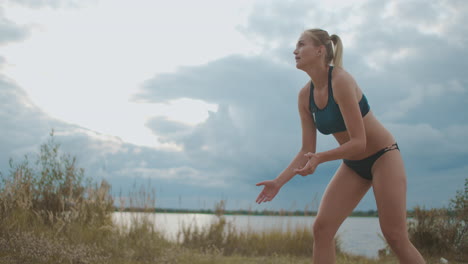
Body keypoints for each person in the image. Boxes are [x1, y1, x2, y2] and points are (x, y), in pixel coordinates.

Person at [255, 29, 425, 264]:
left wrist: (321, 158)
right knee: (322, 230)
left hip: (383, 156)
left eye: (301, 44)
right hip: (354, 164)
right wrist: (278, 182)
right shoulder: (305, 96)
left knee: (395, 236)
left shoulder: (341, 81)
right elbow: (307, 149)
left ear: (320, 50)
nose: (295, 50)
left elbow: (359, 142)